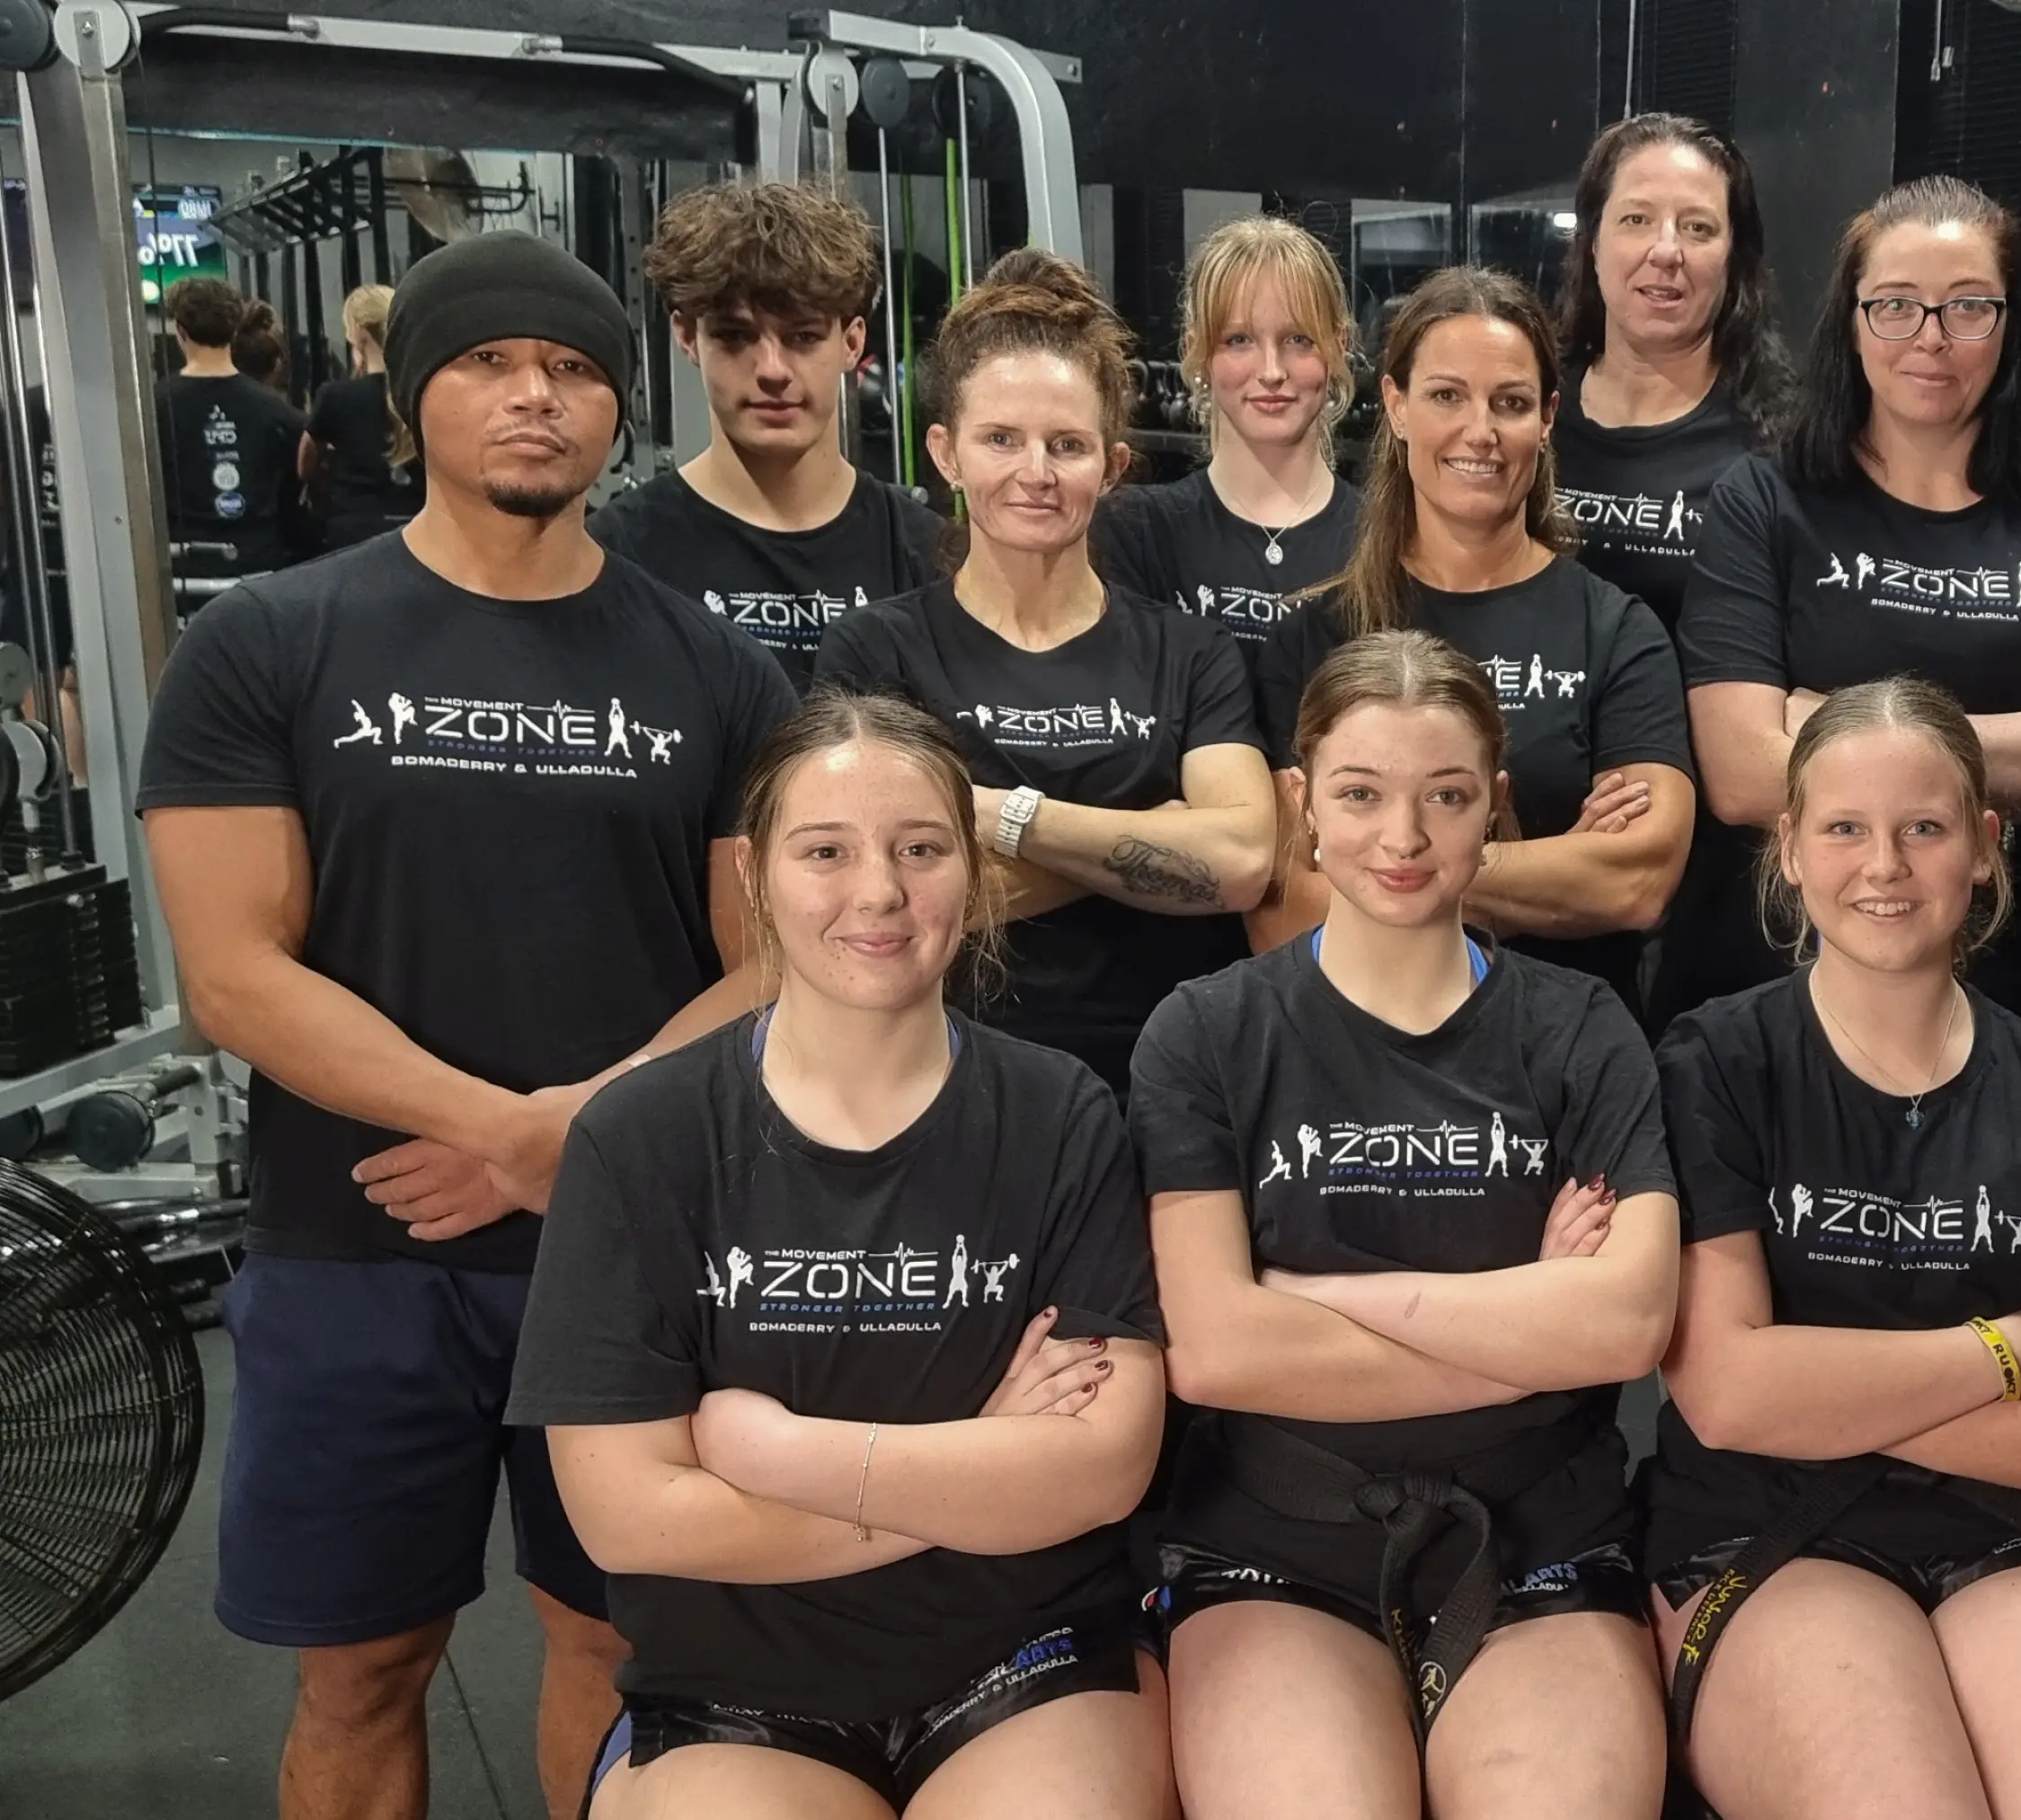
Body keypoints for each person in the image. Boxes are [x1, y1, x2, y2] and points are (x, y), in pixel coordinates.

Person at [137, 232, 796, 1820]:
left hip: (625, 1247)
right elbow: (233, 970)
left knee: (618, 1641)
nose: (536, 399)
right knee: (362, 1666)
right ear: (404, 387)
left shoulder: (709, 664)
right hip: (356, 1245)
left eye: (574, 371)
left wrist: (586, 1130)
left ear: (615, 412)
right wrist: (507, 1133)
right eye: (492, 364)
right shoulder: (270, 643)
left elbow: (775, 960)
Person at [512, 690, 1171, 1820]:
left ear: (971, 874)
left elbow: (1104, 1468)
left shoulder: (1063, 1113)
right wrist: (982, 1462)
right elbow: (630, 1518)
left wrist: (777, 1451)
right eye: (827, 851)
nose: (879, 892)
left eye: (921, 849)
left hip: (1028, 1662)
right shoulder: (640, 1138)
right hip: (732, 1686)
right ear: (757, 876)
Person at [1133, 629, 1681, 1820]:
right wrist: (1530, 1311)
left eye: (1444, 797)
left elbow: (1628, 1327)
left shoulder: (1581, 1027)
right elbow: (1219, 1353)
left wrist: (1316, 1301)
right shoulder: (1206, 1034)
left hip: (1541, 1531)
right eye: (1362, 794)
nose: (1404, 837)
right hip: (1276, 1543)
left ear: (1493, 807)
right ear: (1301, 805)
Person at [1643, 676, 2021, 1820]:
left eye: (1924, 829)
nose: (1883, 865)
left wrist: (1831, 1395)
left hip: (2020, 1538)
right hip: (1769, 1536)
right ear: (1789, 847)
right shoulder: (1714, 1065)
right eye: (1845, 828)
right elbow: (1732, 1398)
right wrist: (2007, 1351)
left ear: (1985, 848)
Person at [1681, 175, 2021, 1066]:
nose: (1930, 338)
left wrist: (1831, 730)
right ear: (1851, 317)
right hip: (1798, 986)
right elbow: (1741, 773)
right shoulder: (1765, 503)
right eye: (1895, 305)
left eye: (1968, 307)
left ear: (2012, 322)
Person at [818, 248, 1276, 1096]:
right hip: (948, 1085)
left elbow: (1243, 860)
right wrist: (1150, 831)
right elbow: (882, 902)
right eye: (1001, 439)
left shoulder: (1191, 652)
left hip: (1171, 1087)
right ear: (946, 455)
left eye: (1067, 444)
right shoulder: (875, 653)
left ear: (1112, 466)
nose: (1036, 472)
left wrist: (992, 813)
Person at [1249, 266, 1693, 1015]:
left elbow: (1638, 880)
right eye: (1447, 396)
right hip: (1351, 1055)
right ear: (1395, 405)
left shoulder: (1618, 632)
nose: (1480, 432)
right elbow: (1284, 911)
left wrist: (1371, 875)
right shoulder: (1314, 638)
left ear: (1549, 417)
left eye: (1511, 403)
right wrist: (1546, 868)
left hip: (1561, 1055)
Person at [1548, 113, 1795, 1031]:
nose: (1667, 253)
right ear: (1593, 237)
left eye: (1699, 227)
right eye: (1637, 220)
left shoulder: (1784, 447)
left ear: (1736, 255)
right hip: (1543, 833)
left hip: (1727, 871)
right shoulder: (1521, 421)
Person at [596, 180, 944, 688]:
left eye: (803, 336)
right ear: (688, 337)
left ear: (852, 342)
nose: (772, 370)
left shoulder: (929, 555)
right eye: (736, 337)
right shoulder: (617, 553)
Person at [1092, 215, 1361, 653]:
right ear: (1196, 352)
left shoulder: (1384, 539)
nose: (1272, 372)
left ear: (1340, 346)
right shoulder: (1135, 532)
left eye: (1299, 339)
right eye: (1239, 340)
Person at [159, 276, 306, 579]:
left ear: (180, 331)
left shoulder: (151, 407)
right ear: (234, 329)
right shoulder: (279, 412)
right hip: (258, 568)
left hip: (180, 568)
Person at [298, 283, 426, 552]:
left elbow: (305, 462)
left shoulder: (336, 395)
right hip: (419, 526)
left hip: (353, 531)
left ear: (358, 333)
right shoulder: (424, 392)